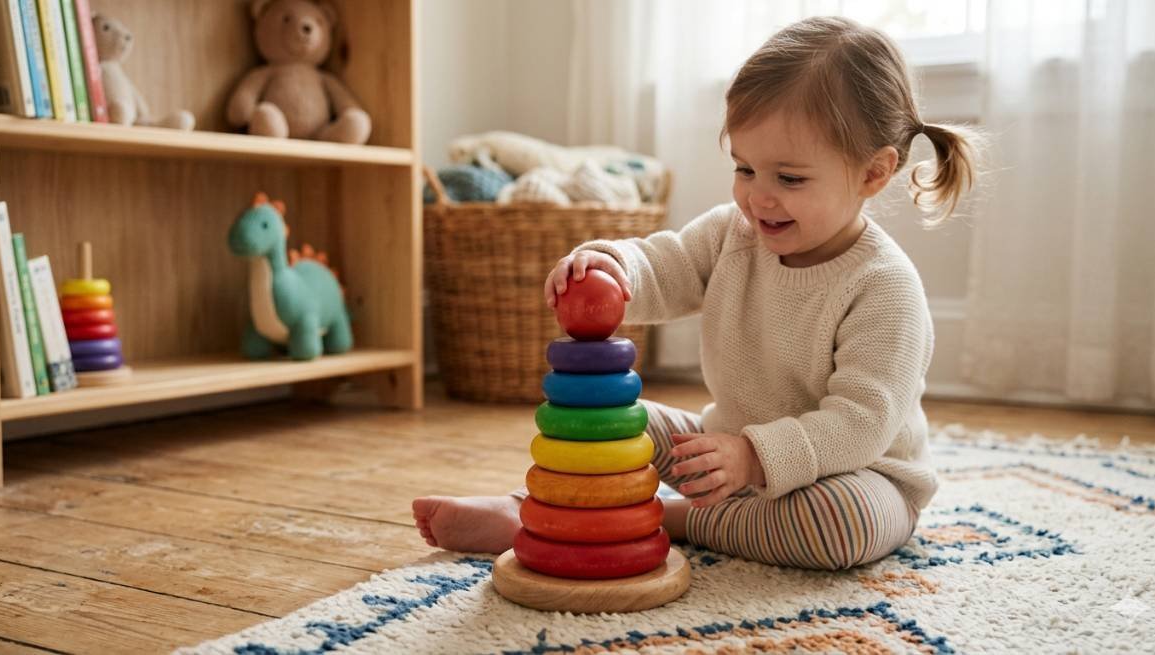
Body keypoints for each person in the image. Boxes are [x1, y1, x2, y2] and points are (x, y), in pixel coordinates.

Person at [413, 15, 981, 570]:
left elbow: (860, 423)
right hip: (727, 447)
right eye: (744, 169)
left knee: (839, 526)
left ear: (873, 174)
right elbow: (669, 264)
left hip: (857, 475)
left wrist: (755, 458)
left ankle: (662, 517)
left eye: (789, 178)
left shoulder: (885, 287)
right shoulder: (733, 235)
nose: (759, 198)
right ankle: (532, 509)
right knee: (610, 416)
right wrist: (613, 265)